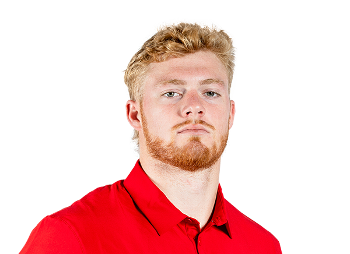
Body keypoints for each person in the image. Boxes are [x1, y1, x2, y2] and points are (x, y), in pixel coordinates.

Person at [21, 19, 282, 253]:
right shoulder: (69, 237)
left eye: (210, 93)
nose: (194, 106)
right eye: (171, 93)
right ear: (136, 115)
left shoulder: (263, 245)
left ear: (230, 114)